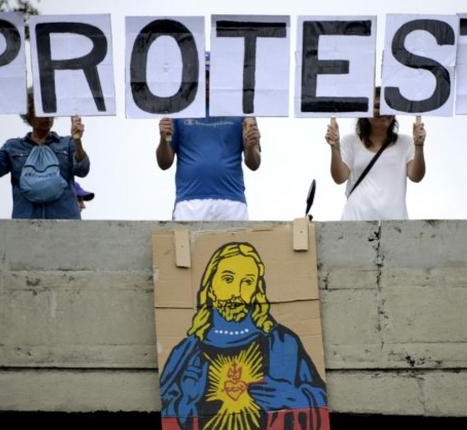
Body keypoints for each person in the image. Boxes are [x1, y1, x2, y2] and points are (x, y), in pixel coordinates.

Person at [160, 242, 328, 430]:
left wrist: (292, 397)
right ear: (210, 285)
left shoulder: (282, 343)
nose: (237, 293)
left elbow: (319, 398)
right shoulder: (186, 352)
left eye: (247, 282)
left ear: (257, 290)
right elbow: (167, 411)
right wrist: (186, 401)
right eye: (228, 279)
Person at [156, 53, 261, 221]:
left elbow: (254, 163)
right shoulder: (179, 111)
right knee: (186, 247)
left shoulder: (241, 111)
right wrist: (163, 139)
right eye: (201, 77)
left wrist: (250, 146)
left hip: (232, 200)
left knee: (234, 247)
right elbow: (164, 163)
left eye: (210, 77)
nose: (206, 82)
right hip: (190, 201)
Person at [0, 89, 89, 219]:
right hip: (27, 225)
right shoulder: (13, 147)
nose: (47, 117)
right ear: (29, 116)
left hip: (64, 224)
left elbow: (83, 169)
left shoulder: (67, 144)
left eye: (50, 110)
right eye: (41, 111)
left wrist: (77, 140)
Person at [324, 87, 426, 220]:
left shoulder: (405, 142)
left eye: (388, 107)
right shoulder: (350, 141)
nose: (383, 112)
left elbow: (416, 176)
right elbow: (339, 178)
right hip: (355, 222)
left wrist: (419, 146)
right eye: (378, 106)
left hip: (395, 227)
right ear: (366, 111)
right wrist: (335, 147)